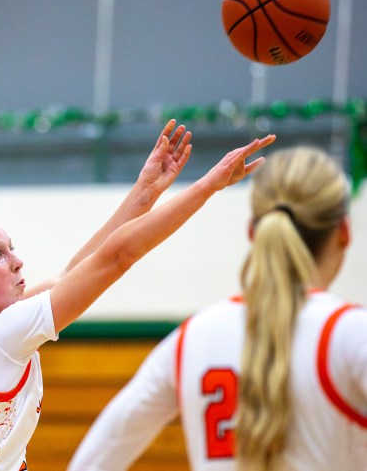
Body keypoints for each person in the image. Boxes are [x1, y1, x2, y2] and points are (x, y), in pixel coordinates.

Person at [0, 118, 275, 471]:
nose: (17, 262)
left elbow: (71, 275)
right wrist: (208, 185)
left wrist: (145, 193)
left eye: (11, 248)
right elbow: (116, 258)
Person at [68, 145, 367, 471]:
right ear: (344, 233)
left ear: (253, 233)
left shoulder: (192, 339)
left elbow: (90, 464)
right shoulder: (351, 333)